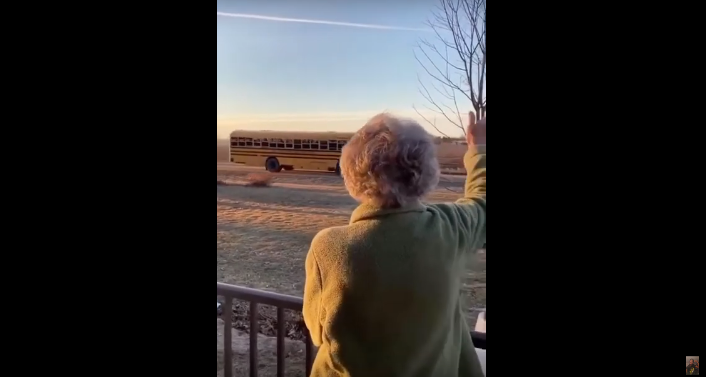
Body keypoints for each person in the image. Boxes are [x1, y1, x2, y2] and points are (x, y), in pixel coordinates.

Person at [303, 112, 486, 377]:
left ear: (352, 171)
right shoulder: (450, 228)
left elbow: (318, 331)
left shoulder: (329, 247)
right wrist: (478, 148)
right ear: (424, 172)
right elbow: (482, 199)